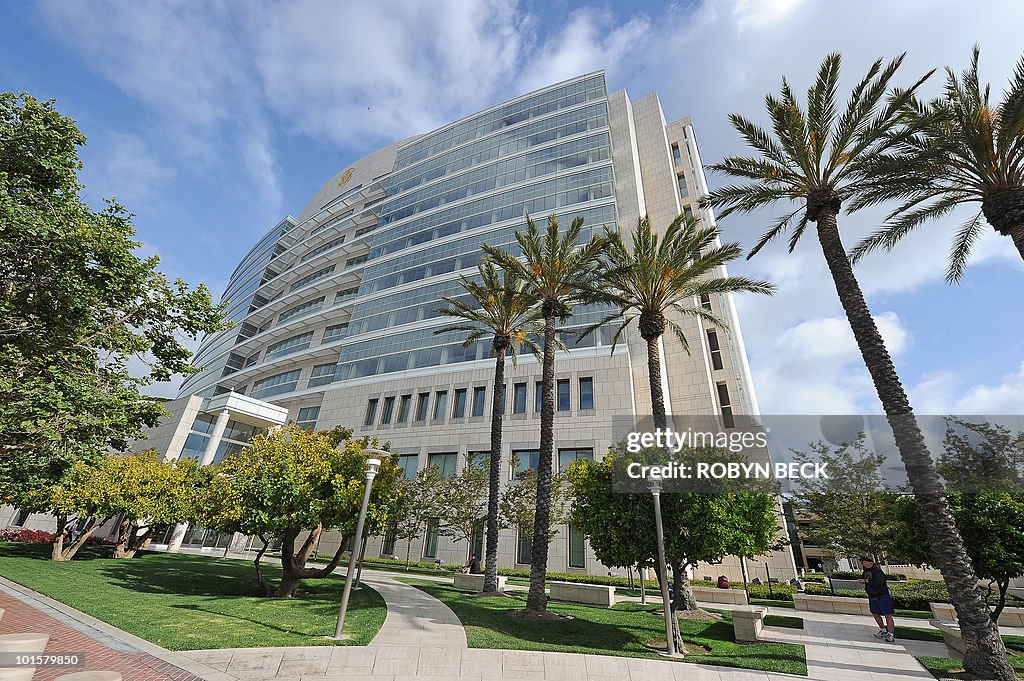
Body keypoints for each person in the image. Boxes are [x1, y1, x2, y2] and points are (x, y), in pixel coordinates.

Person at [858, 556, 895, 642]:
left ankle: (891, 634)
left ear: (870, 562)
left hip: (882, 595)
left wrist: (866, 581)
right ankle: (883, 630)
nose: (863, 564)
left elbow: (879, 582)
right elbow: (865, 579)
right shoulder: (866, 570)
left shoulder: (877, 570)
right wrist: (863, 580)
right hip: (872, 595)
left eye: (864, 562)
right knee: (875, 613)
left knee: (887, 614)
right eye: (862, 562)